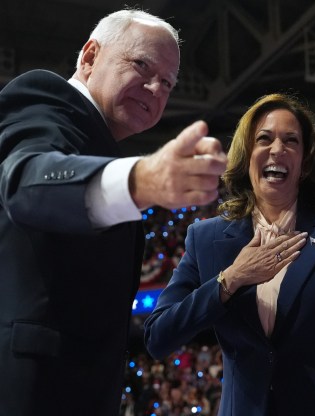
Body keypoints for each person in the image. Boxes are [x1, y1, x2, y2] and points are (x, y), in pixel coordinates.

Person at [0, 9, 227, 415]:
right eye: (142, 65)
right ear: (90, 56)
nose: (156, 88)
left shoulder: (97, 141)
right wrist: (142, 179)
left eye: (168, 83)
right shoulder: (44, 100)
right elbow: (25, 181)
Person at [144, 93, 315, 415]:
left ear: (304, 162)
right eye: (264, 139)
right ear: (246, 156)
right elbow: (158, 337)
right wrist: (230, 280)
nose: (277, 149)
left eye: (291, 140)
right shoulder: (204, 239)